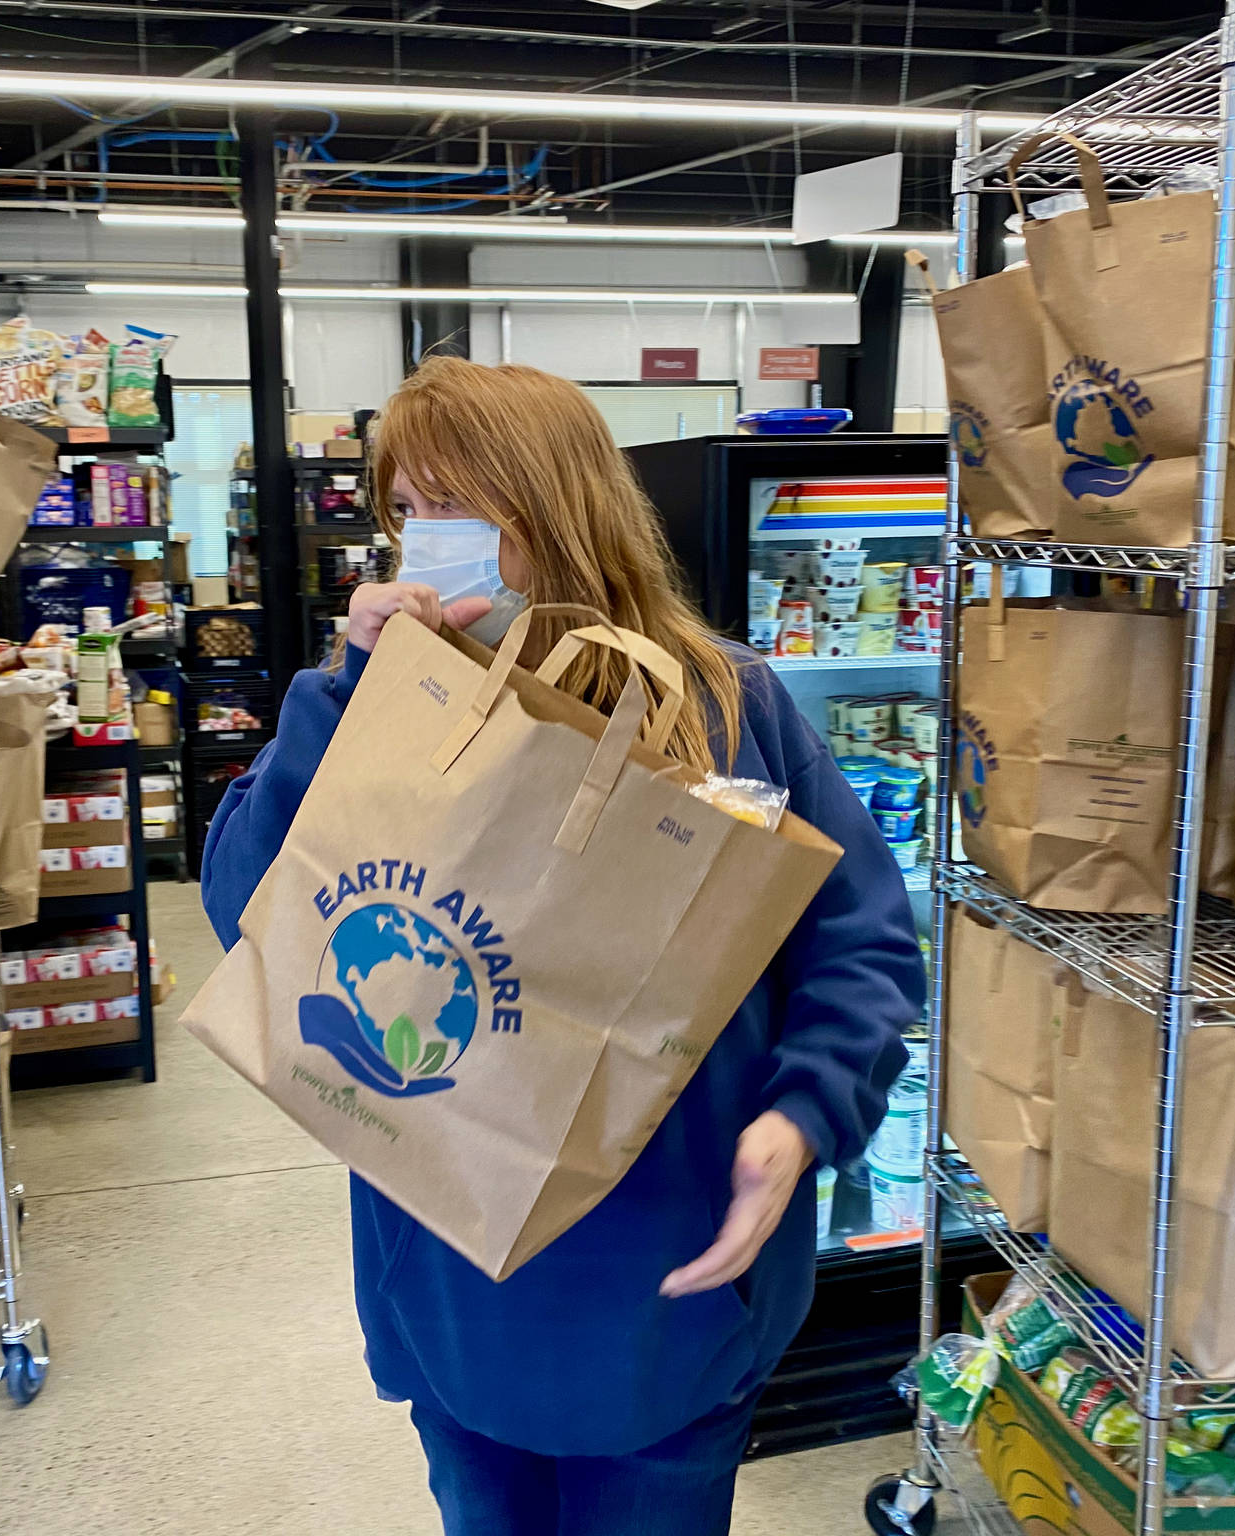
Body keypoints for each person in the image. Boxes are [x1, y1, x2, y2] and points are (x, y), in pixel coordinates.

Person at [201, 357, 922, 1536]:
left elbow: (859, 942)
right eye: (405, 509)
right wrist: (347, 691)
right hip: (451, 1278)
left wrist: (803, 1116)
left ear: (551, 509)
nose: (425, 536)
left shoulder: (719, 704)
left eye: (459, 505)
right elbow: (246, 909)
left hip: (671, 1285)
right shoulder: (389, 712)